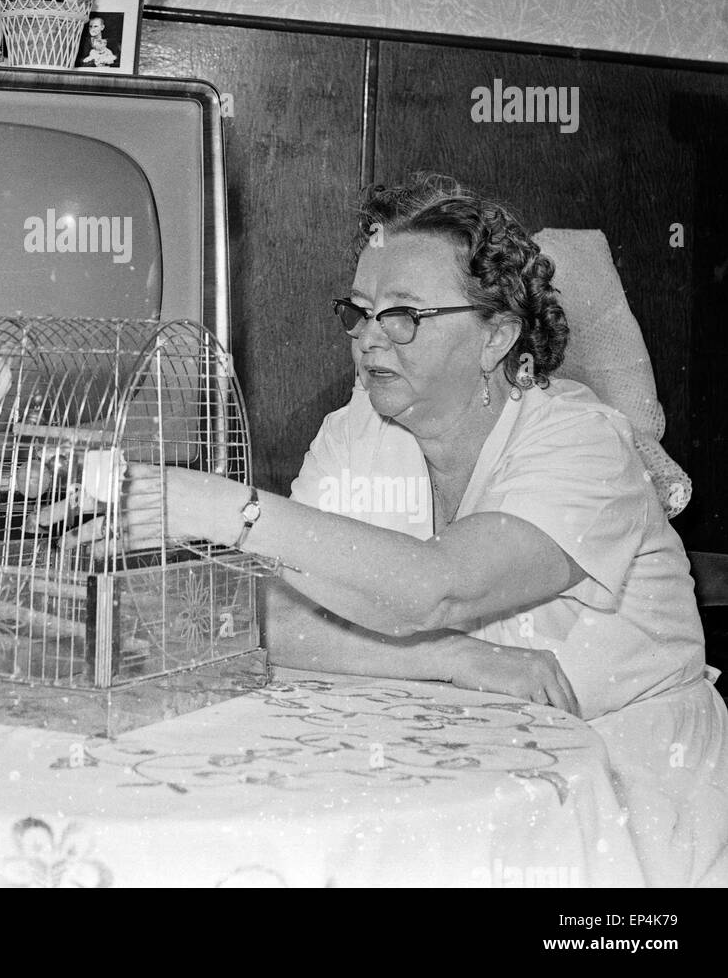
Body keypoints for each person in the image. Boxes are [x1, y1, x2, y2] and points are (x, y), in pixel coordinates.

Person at [113, 173, 728, 887]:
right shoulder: (361, 429)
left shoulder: (581, 443)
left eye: (403, 315)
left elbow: (440, 588)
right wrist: (454, 661)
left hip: (633, 799)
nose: (369, 340)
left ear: (496, 334)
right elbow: (269, 616)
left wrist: (230, 511)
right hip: (469, 781)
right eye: (361, 311)